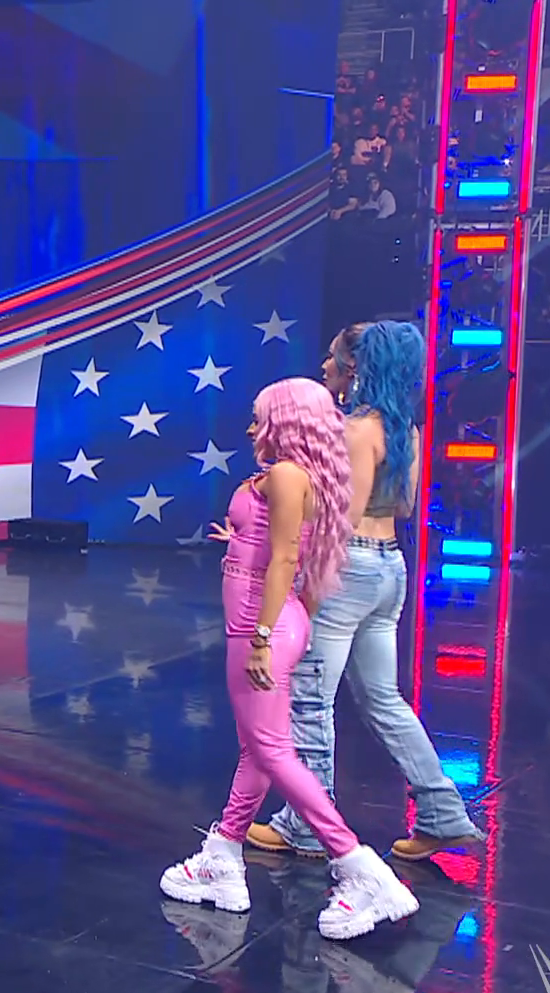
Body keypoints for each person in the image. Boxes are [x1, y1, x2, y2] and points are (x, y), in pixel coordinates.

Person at [160, 377, 417, 941]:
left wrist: (262, 637)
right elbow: (296, 554)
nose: (252, 426)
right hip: (277, 624)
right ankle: (224, 852)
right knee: (258, 749)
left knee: (273, 752)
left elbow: (284, 561)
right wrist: (241, 540)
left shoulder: (285, 474)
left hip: (260, 628)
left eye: (261, 416)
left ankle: (359, 868)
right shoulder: (305, 476)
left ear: (287, 420)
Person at [249, 322, 487, 862]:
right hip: (389, 567)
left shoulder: (357, 430)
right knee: (384, 699)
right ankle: (443, 814)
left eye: (332, 357)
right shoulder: (407, 430)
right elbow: (403, 506)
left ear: (355, 368)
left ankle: (306, 823)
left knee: (311, 698)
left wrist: (306, 587)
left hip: (348, 566)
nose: (325, 365)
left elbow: (343, 516)